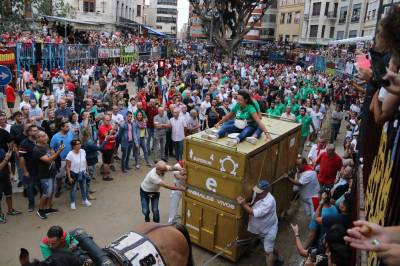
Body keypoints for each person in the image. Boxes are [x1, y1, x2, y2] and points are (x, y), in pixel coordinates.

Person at [236, 180, 282, 266]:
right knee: (269, 246)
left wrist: (243, 204)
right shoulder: (258, 194)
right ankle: (280, 256)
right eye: (256, 191)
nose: (256, 193)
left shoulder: (269, 202)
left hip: (268, 230)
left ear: (266, 191)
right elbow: (254, 204)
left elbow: (254, 213)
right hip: (261, 228)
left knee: (268, 252)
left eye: (259, 192)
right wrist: (249, 204)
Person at [33, 131, 64, 219]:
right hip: (44, 175)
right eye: (43, 136)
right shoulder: (37, 149)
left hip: (51, 172)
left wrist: (55, 153)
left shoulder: (46, 145)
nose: (46, 137)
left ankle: (48, 208)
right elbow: (49, 160)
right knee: (46, 193)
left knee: (51, 192)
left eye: (46, 135)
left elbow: (53, 156)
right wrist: (59, 151)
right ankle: (40, 210)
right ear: (38, 138)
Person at [50, 121, 74, 197]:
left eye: (68, 126)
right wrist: (54, 157)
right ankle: (59, 188)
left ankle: (70, 184)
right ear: (61, 127)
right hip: (61, 160)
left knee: (71, 172)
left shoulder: (70, 134)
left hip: (70, 158)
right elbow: (51, 148)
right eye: (66, 126)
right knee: (59, 176)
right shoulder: (55, 137)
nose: (68, 128)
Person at [66, 139, 91, 210]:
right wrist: (69, 177)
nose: (79, 145)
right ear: (73, 146)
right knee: (73, 189)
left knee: (83, 187)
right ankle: (72, 202)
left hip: (83, 172)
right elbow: (68, 167)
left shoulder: (83, 151)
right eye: (77, 144)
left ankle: (84, 200)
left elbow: (85, 161)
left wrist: (86, 170)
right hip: (74, 173)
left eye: (80, 143)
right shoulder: (70, 154)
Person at [19, 124, 39, 211]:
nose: (36, 132)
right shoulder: (24, 143)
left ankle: (44, 203)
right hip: (30, 170)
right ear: (29, 132)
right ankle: (31, 204)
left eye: (37, 130)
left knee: (42, 187)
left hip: (41, 169)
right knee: (30, 188)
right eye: (34, 130)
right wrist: (25, 171)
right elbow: (21, 159)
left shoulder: (40, 140)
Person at [0, 147, 22, 223]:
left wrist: (11, 174)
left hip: (5, 177)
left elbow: (7, 164)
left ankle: (10, 210)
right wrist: (6, 159)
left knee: (9, 194)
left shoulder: (2, 150)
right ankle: (0, 215)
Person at [98, 115, 116, 181]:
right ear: (103, 120)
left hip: (110, 146)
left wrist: (113, 131)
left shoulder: (109, 126)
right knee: (106, 162)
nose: (108, 121)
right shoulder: (101, 128)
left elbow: (113, 133)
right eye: (107, 120)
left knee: (107, 161)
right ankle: (106, 176)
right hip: (106, 147)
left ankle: (104, 171)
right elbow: (107, 136)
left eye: (109, 120)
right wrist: (113, 130)